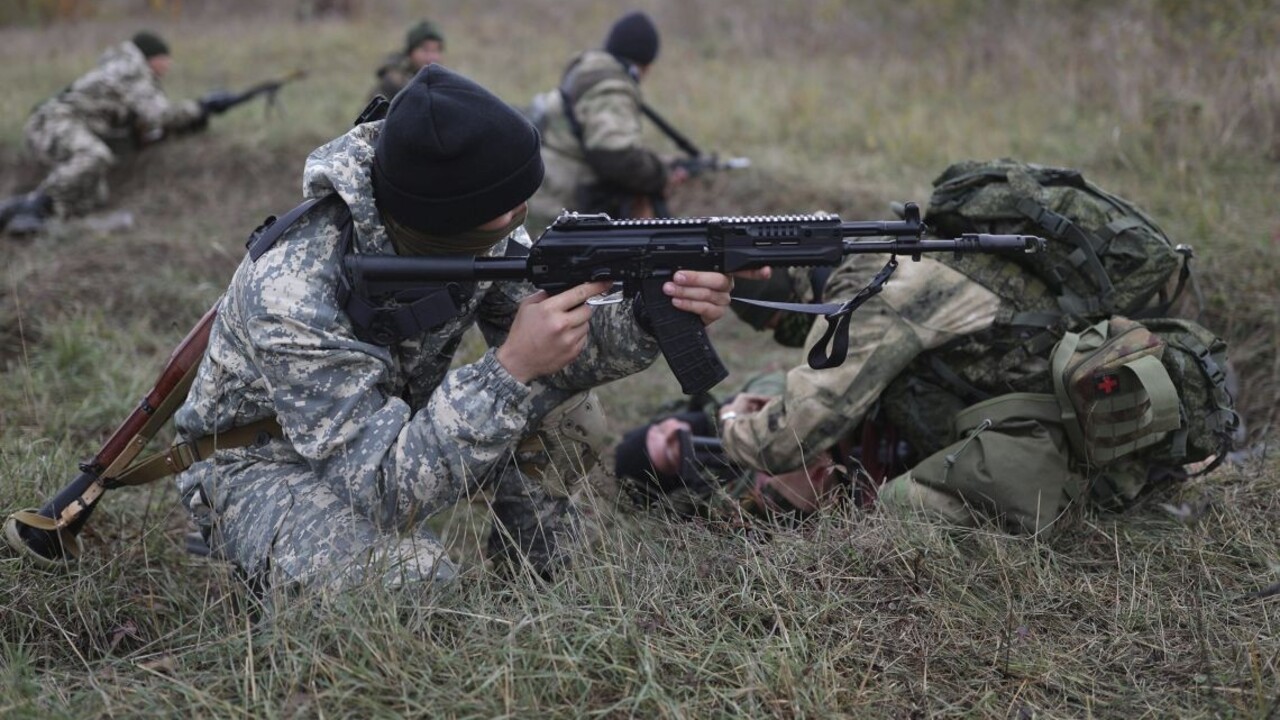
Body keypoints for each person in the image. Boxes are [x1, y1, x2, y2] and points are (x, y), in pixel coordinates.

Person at [171, 65, 751, 593]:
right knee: (412, 585)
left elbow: (563, 349)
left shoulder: (472, 225)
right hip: (263, 463)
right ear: (444, 220)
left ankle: (541, 586)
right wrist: (508, 370)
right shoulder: (294, 289)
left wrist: (651, 314)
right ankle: (252, 548)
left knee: (568, 414)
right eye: (507, 209)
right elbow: (381, 484)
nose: (520, 216)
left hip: (381, 436)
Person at [716, 244, 1239, 535]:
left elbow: (789, 441)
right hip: (1087, 418)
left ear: (798, 294)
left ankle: (1096, 499)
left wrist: (732, 422)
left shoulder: (873, 296)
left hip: (1065, 450)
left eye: (780, 326)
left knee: (897, 511)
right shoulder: (923, 258)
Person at [4, 31, 231, 236]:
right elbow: (159, 114)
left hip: (58, 123)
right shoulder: (132, 71)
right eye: (166, 58)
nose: (169, 65)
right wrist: (202, 106)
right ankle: (32, 206)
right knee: (95, 156)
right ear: (153, 58)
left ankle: (25, 215)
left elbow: (142, 123)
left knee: (93, 195)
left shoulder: (121, 67)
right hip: (55, 121)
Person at [527, 10, 688, 235]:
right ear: (645, 64)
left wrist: (656, 162)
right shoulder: (610, 87)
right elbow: (615, 155)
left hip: (547, 195)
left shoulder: (587, 73)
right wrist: (660, 175)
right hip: (561, 211)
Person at [371, 19, 445, 102]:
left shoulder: (441, 79)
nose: (431, 57)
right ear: (410, 52)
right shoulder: (394, 80)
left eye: (435, 50)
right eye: (425, 50)